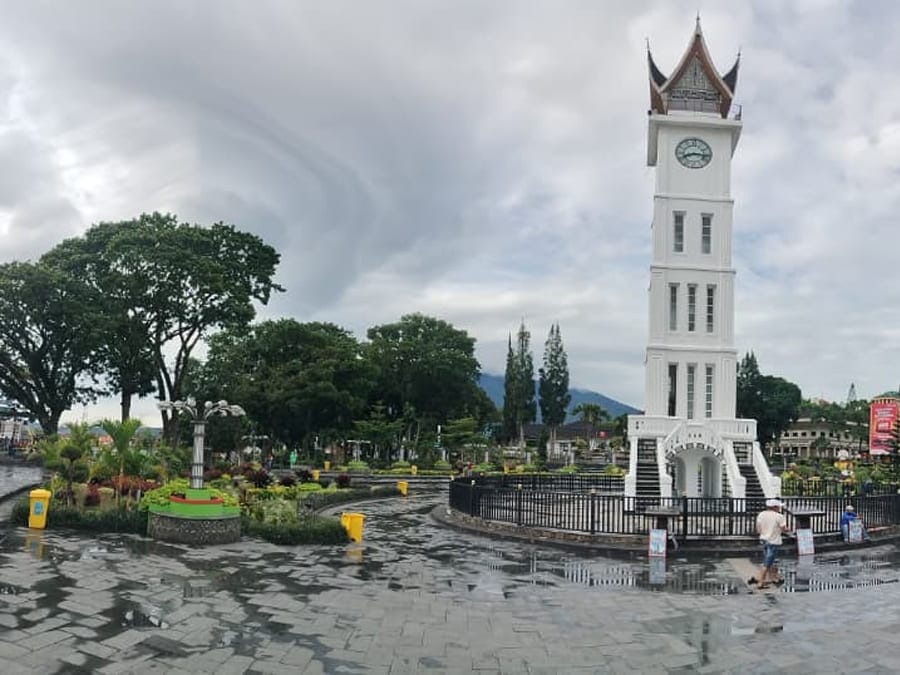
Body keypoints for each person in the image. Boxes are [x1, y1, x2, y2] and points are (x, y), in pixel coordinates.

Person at [754, 498, 792, 588]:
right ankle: (760, 582)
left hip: (763, 539)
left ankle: (774, 577)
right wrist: (788, 529)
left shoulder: (761, 514)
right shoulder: (779, 516)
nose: (780, 508)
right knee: (767, 562)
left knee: (771, 560)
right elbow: (784, 529)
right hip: (773, 541)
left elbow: (758, 528)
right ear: (775, 507)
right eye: (779, 507)